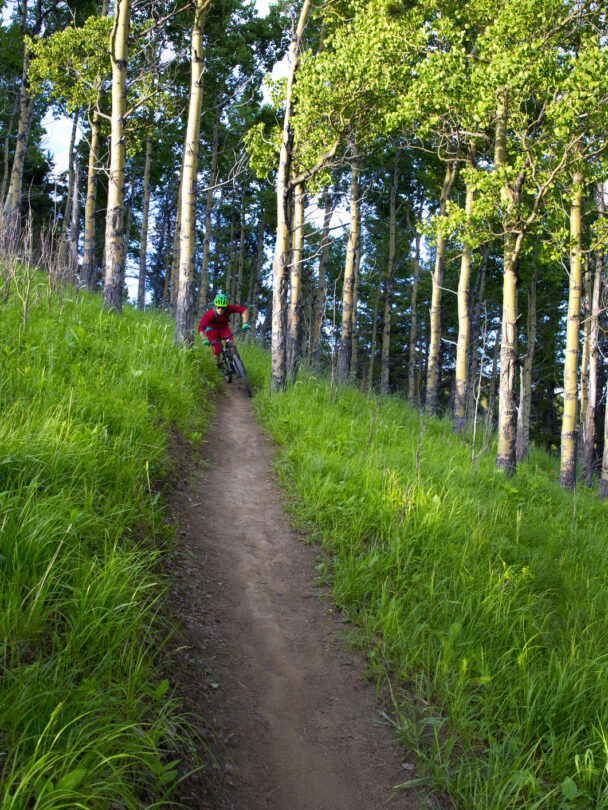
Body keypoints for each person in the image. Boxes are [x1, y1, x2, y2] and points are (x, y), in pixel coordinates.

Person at [198, 293, 250, 366]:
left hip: (223, 328)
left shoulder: (228, 308)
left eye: (223, 307)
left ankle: (236, 362)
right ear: (215, 306)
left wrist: (245, 322)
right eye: (218, 307)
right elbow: (201, 327)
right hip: (211, 331)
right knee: (217, 350)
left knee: (231, 344)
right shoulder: (210, 314)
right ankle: (218, 364)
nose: (220, 309)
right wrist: (204, 339)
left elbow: (244, 310)